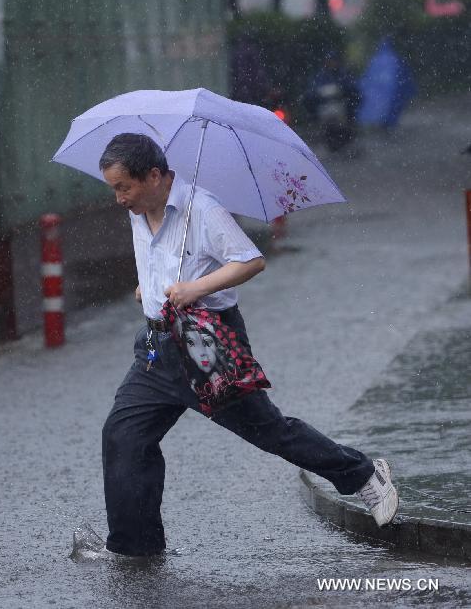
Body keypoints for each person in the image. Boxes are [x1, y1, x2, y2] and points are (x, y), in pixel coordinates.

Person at [98, 133, 398, 558]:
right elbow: (163, 262)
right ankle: (135, 548)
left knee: (268, 431)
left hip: (206, 346)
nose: (118, 198)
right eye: (113, 188)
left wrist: (196, 287)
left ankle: (364, 474)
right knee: (124, 438)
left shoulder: (201, 209)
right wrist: (147, 288)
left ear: (153, 175)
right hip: (156, 346)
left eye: (123, 187)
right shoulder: (139, 210)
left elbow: (249, 260)